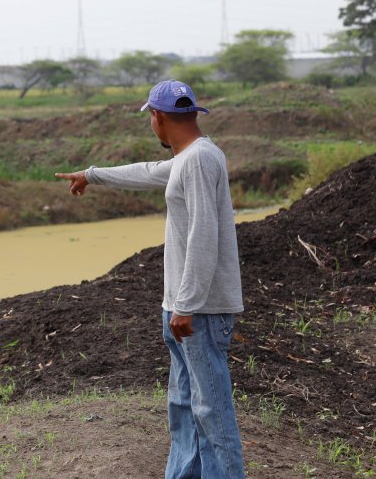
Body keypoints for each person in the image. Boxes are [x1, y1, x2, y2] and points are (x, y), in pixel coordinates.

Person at [55, 80, 245, 479]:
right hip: (181, 308)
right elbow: (146, 172)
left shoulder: (199, 160)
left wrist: (187, 304)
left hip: (199, 312)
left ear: (157, 118)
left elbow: (203, 235)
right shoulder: (189, 157)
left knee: (211, 411)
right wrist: (91, 175)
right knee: (183, 404)